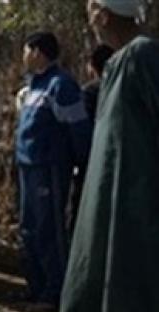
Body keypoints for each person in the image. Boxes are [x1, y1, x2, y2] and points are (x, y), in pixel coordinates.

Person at [59, 0, 159, 312]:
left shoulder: (143, 56)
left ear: (102, 14)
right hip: (111, 186)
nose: (90, 19)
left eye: (91, 10)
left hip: (137, 191)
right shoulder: (118, 61)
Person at [15, 32, 93, 306]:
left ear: (37, 52)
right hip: (27, 165)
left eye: (26, 50)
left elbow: (78, 129)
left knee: (48, 229)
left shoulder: (61, 85)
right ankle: (36, 286)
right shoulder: (34, 84)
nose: (23, 56)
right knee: (29, 229)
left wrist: (81, 162)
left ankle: (56, 291)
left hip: (48, 168)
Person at [71, 44, 115, 231]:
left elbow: (81, 128)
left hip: (91, 160)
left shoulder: (88, 92)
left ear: (92, 66)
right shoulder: (124, 89)